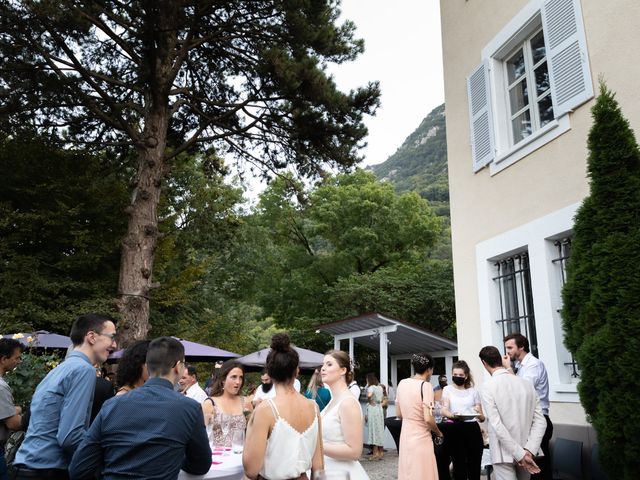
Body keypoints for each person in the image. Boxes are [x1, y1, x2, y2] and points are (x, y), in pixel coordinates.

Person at [69, 337, 211, 479]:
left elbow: (79, 467)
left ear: (148, 366)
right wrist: (175, 456)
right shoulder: (189, 408)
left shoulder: (112, 405)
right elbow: (201, 464)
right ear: (178, 366)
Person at [12, 313, 117, 479]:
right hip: (49, 471)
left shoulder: (60, 369)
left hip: (27, 466)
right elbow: (70, 437)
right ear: (91, 337)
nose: (115, 345)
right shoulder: (83, 370)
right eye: (112, 337)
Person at [243, 333, 323, 479]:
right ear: (297, 371)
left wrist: (250, 427)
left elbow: (251, 470)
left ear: (270, 373)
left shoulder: (265, 409)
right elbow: (319, 466)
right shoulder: (313, 407)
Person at [479, 346, 546, 480]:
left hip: (503, 453)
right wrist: (529, 449)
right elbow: (541, 421)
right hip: (526, 449)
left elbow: (496, 425)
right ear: (500, 360)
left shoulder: (488, 386)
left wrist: (520, 454)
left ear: (484, 363)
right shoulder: (526, 384)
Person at [503, 334, 553, 480]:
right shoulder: (519, 366)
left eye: (510, 347)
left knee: (540, 465)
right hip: (528, 420)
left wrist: (508, 369)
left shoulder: (533, 365)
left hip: (539, 420)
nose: (507, 352)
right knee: (532, 465)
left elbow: (523, 391)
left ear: (522, 347)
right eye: (506, 348)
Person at [320, 350, 369, 480]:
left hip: (342, 473)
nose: (323, 368)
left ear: (343, 370)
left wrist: (315, 445)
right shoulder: (333, 400)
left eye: (329, 364)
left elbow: (355, 451)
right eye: (323, 365)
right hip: (326, 471)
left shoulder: (348, 403)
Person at [396, 353, 443, 480]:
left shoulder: (402, 383)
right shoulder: (426, 386)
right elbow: (428, 419)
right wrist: (439, 433)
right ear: (429, 369)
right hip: (421, 438)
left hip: (405, 436)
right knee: (423, 473)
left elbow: (399, 414)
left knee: (408, 472)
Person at [440, 360, 485, 480]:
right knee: (459, 465)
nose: (457, 377)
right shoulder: (447, 389)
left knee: (475, 464)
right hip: (456, 428)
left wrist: (478, 413)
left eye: (460, 375)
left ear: (466, 376)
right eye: (455, 375)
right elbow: (443, 410)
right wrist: (451, 415)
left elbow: (482, 418)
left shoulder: (473, 391)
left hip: (472, 428)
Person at [203, 360, 252, 447]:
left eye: (241, 377)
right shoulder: (210, 403)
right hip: (216, 458)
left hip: (238, 456)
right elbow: (200, 435)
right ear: (223, 379)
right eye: (234, 377)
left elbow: (253, 432)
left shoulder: (245, 402)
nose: (238, 381)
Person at [0, 339, 25, 480]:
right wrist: (20, 410)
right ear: (4, 359)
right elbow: (13, 423)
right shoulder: (1, 387)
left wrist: (13, 409)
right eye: (17, 358)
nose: (19, 361)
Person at [365, 373, 385, 461]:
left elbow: (369, 395)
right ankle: (380, 452)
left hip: (373, 410)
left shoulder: (371, 388)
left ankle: (375, 453)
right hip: (379, 409)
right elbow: (383, 398)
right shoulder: (380, 388)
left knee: (373, 430)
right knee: (379, 430)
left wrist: (369, 401)